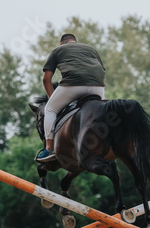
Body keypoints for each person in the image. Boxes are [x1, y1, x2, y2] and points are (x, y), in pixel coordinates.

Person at [35, 33, 106, 162]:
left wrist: (52, 99)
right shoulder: (91, 49)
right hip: (98, 87)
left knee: (50, 109)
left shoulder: (58, 50)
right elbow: (102, 70)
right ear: (75, 41)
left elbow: (46, 79)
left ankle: (49, 149)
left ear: (62, 43)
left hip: (73, 85)